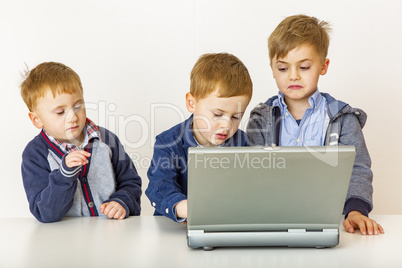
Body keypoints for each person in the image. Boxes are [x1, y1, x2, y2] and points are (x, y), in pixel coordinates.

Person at [246, 15, 384, 235]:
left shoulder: (343, 118)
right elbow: (250, 173)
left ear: (323, 66)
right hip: (272, 222)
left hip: (328, 222)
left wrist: (355, 211)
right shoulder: (260, 119)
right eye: (283, 69)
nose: (293, 76)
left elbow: (357, 169)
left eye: (304, 67)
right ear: (272, 68)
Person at [20, 62, 142, 223]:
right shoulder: (35, 154)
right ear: (36, 119)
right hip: (64, 241)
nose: (73, 117)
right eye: (60, 112)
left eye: (78, 106)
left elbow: (131, 183)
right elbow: (44, 213)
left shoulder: (107, 140)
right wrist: (64, 175)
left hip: (111, 236)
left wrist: (122, 202)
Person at [146, 53, 253, 222]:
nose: (226, 125)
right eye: (218, 114)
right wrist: (187, 208)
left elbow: (251, 188)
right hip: (175, 230)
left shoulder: (243, 143)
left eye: (236, 117)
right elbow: (159, 187)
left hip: (225, 225)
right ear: (191, 103)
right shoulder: (168, 143)